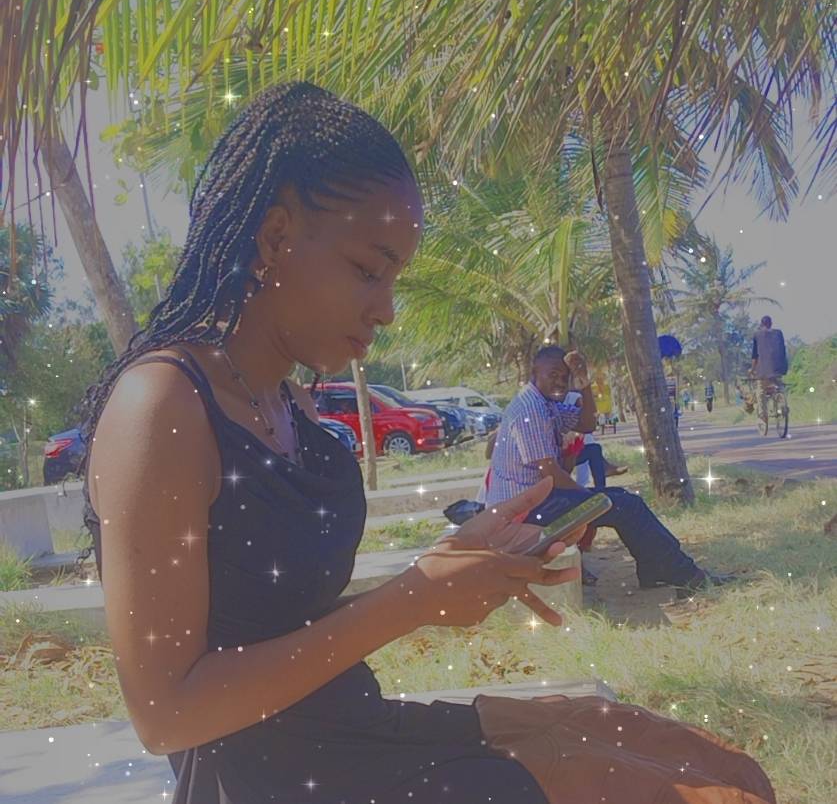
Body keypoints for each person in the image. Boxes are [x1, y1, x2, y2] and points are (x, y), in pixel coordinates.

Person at [78, 84, 774, 804]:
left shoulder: (290, 403)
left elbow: (279, 621)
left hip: (346, 731)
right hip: (267, 781)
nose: (385, 309)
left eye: (394, 278)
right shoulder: (160, 406)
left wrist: (455, 564)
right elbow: (166, 714)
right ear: (275, 236)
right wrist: (411, 601)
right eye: (366, 270)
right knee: (637, 788)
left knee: (656, 744)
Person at [486, 346, 733, 598]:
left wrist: (583, 382)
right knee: (625, 505)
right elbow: (550, 475)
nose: (559, 382)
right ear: (534, 372)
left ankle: (653, 569)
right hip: (523, 514)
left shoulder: (545, 404)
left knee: (622, 498)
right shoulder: (529, 409)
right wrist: (591, 499)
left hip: (536, 502)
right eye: (553, 375)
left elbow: (588, 423)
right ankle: (687, 576)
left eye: (564, 377)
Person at [750, 316, 788, 422]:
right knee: (780, 386)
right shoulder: (779, 333)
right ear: (771, 323)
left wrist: (752, 370)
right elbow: (783, 351)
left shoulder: (757, 335)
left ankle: (763, 414)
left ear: (761, 324)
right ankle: (782, 403)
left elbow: (755, 356)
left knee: (761, 391)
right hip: (778, 369)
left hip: (763, 372)